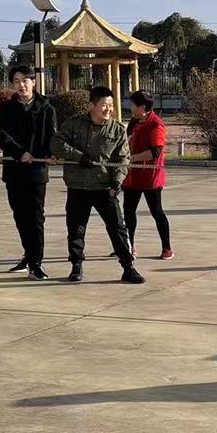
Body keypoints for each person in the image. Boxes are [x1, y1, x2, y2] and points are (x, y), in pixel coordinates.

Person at [50, 85, 143, 284]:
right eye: (104, 105)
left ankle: (128, 267)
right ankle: (76, 266)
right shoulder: (74, 124)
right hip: (78, 186)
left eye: (111, 105)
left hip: (105, 187)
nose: (109, 109)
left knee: (118, 229)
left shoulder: (117, 129)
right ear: (91, 106)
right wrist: (78, 156)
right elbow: (56, 143)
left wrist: (117, 181)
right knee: (76, 229)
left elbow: (122, 159)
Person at [0, 64, 57, 278]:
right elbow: (1, 136)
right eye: (16, 81)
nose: (21, 85)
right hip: (14, 170)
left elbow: (52, 136)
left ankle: (36, 263)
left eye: (25, 80)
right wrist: (19, 152)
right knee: (20, 216)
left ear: (33, 82)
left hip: (37, 171)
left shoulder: (46, 108)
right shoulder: (6, 108)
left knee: (36, 217)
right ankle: (29, 255)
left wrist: (51, 153)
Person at [124, 90, 174, 260]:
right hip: (132, 176)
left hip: (150, 177)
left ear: (143, 107)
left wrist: (132, 158)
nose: (130, 107)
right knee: (128, 212)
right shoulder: (134, 122)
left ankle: (167, 248)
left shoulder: (156, 125)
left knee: (156, 211)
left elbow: (155, 152)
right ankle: (128, 246)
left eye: (133, 104)